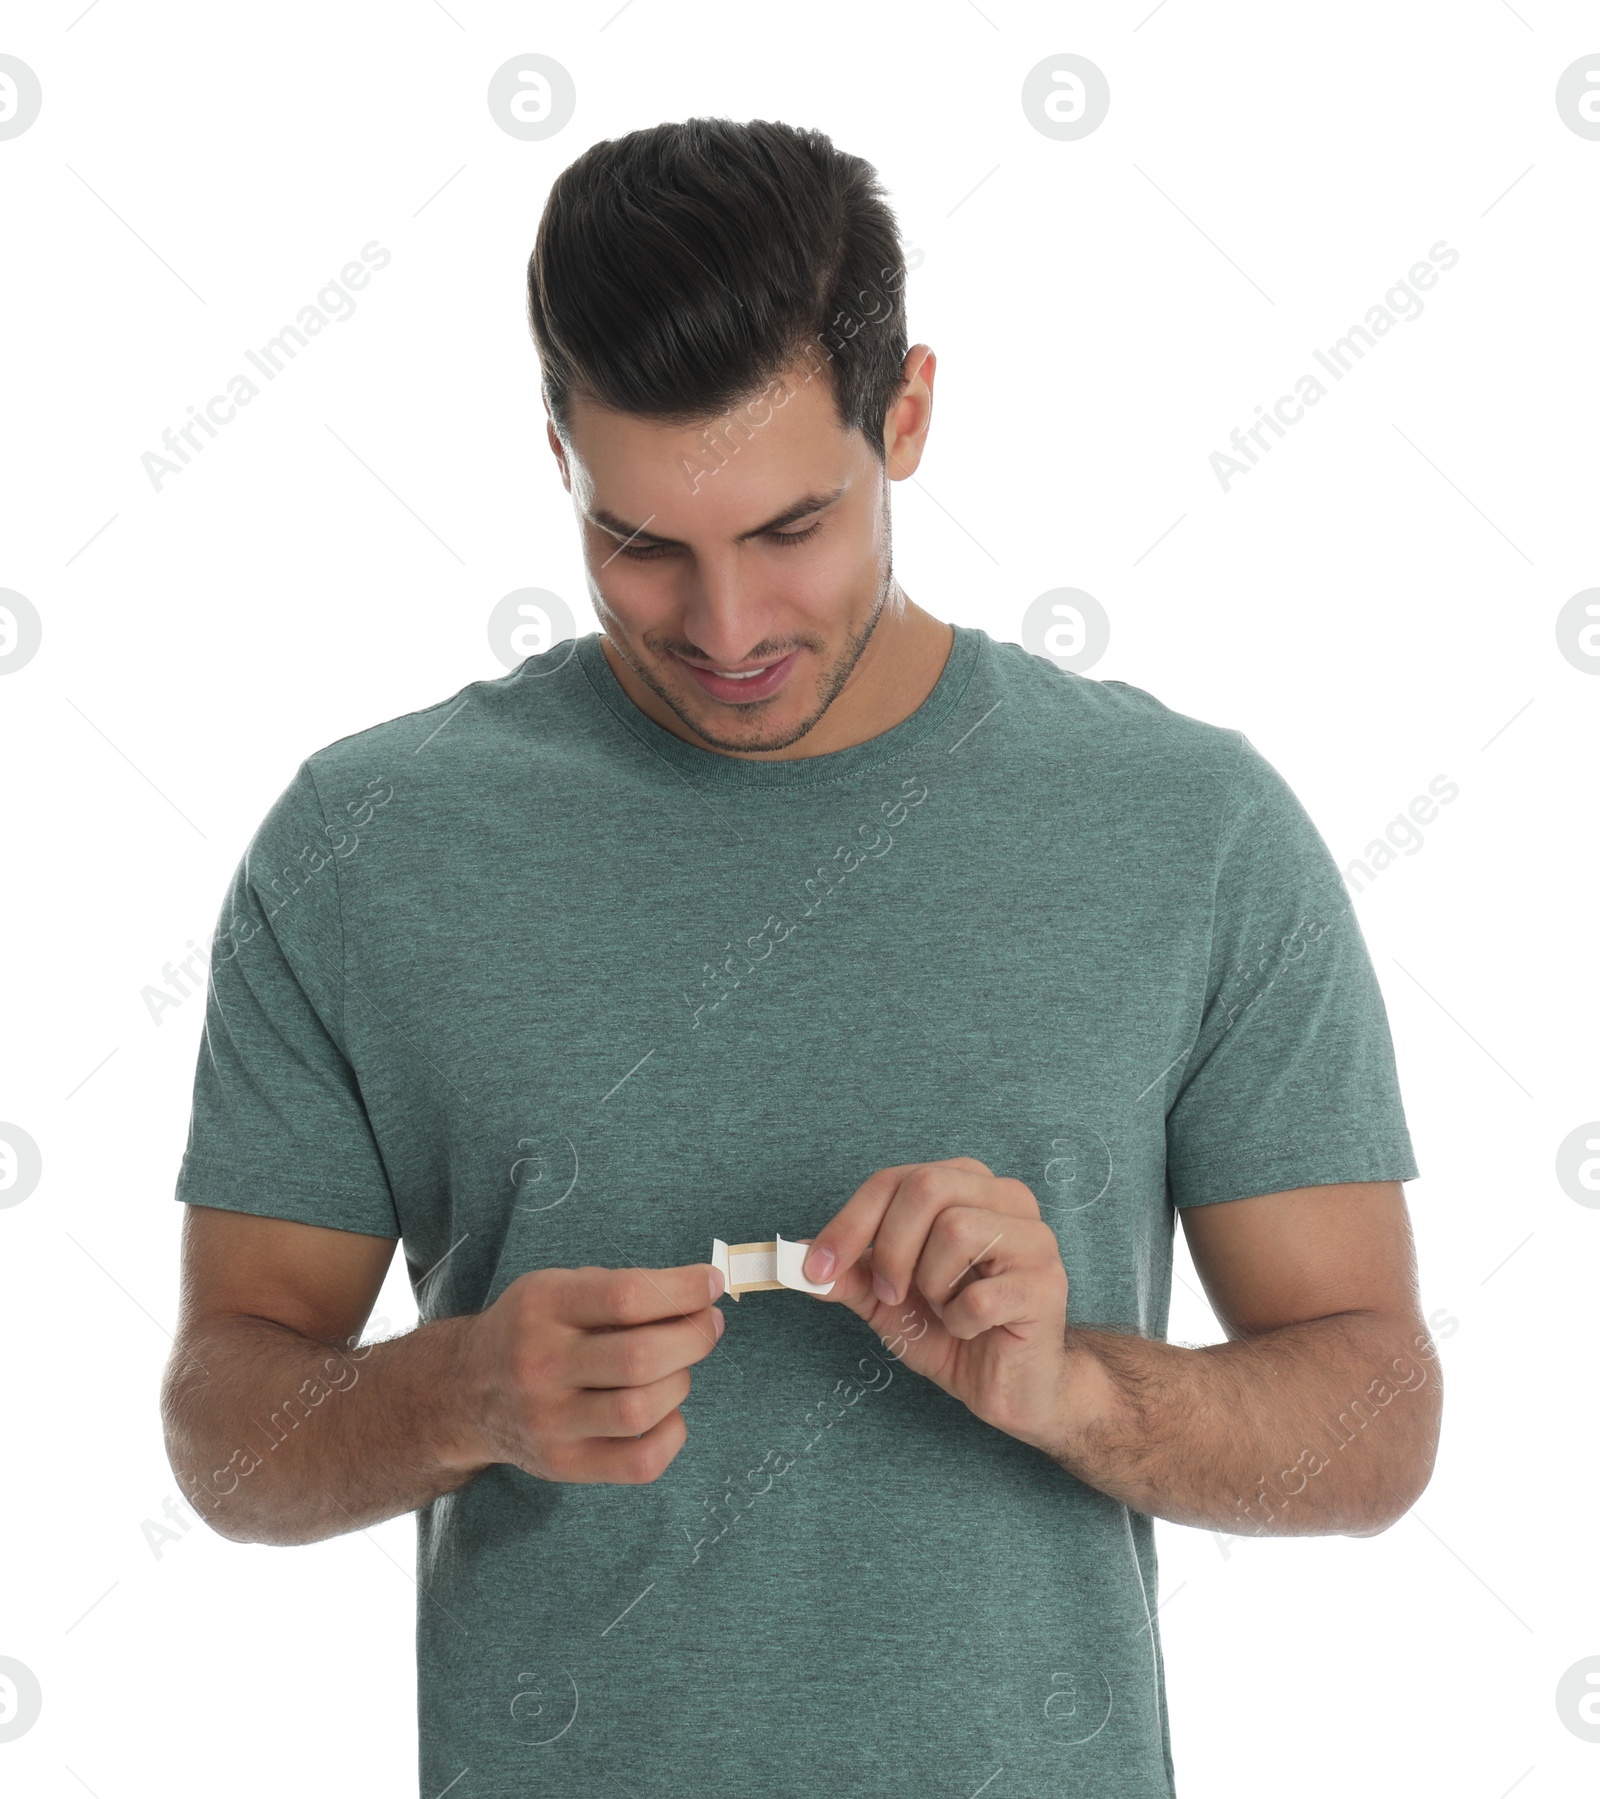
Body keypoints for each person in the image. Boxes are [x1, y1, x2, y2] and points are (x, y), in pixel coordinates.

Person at [161, 116, 1441, 1798]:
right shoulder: (363, 845)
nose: (729, 629)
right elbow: (222, 1425)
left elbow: (1376, 1419)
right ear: (558, 455)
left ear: (906, 413)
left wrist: (1073, 1390)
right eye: (643, 546)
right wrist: (458, 1391)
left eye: (790, 530)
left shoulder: (1189, 827)